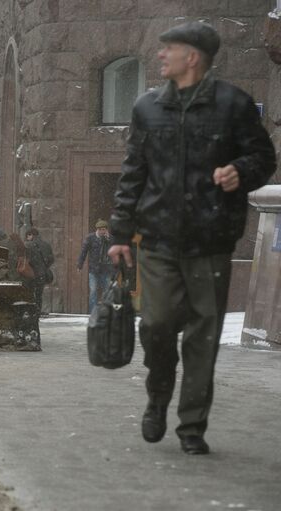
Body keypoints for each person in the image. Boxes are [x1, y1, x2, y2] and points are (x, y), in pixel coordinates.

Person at [108, 22, 276, 455]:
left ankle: (192, 427)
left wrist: (241, 171)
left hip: (212, 241)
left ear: (194, 57)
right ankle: (158, 394)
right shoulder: (147, 108)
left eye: (169, 49)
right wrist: (120, 234)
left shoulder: (234, 105)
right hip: (160, 241)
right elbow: (133, 173)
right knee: (158, 325)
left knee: (203, 337)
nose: (160, 55)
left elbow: (263, 157)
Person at [8, 231, 42, 352]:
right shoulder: (28, 250)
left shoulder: (14, 251)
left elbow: (13, 270)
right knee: (29, 313)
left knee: (22, 314)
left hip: (20, 286)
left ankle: (23, 339)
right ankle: (32, 340)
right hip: (26, 286)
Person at [77, 219, 114, 313]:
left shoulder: (110, 239)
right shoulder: (90, 238)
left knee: (107, 291)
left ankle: (107, 312)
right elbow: (84, 252)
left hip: (106, 269)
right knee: (93, 291)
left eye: (104, 229)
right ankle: (93, 312)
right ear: (97, 229)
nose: (102, 231)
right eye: (101, 229)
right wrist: (79, 265)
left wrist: (108, 240)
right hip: (94, 270)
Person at [25, 227, 55, 316]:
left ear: (31, 235)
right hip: (42, 273)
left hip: (31, 273)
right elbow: (51, 259)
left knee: (30, 292)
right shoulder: (46, 245)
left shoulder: (28, 245)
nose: (27, 238)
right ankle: (38, 310)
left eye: (27, 236)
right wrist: (44, 267)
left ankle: (31, 311)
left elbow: (27, 260)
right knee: (39, 293)